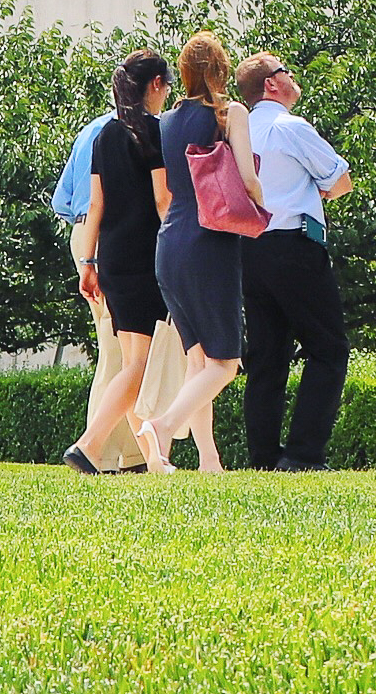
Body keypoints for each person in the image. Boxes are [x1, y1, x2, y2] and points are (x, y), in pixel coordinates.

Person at [139, 32, 256, 471]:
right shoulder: (230, 113)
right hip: (211, 241)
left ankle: (208, 459)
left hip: (170, 242)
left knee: (199, 360)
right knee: (225, 364)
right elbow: (247, 179)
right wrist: (264, 207)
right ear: (222, 70)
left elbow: (170, 188)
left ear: (183, 74)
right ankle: (163, 427)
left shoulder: (166, 122)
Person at [233, 54, 355, 473]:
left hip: (250, 247)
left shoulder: (238, 130)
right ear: (271, 85)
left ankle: (264, 456)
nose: (291, 76)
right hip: (294, 244)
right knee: (328, 347)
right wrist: (313, 191)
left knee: (267, 354)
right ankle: (303, 453)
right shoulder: (291, 127)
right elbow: (340, 180)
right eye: (284, 70)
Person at [62, 51, 176, 473]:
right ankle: (89, 445)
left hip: (112, 255)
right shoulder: (153, 132)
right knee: (140, 364)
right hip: (146, 256)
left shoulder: (105, 136)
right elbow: (163, 200)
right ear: (155, 85)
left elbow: (96, 205)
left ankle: (154, 461)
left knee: (133, 364)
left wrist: (88, 263)